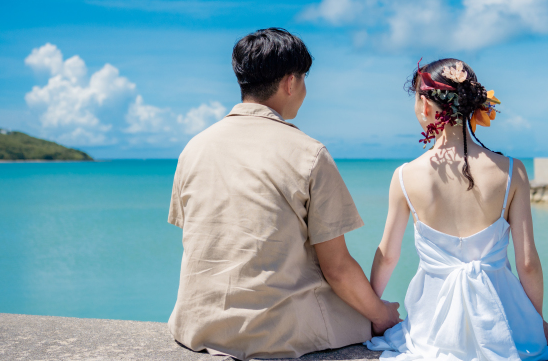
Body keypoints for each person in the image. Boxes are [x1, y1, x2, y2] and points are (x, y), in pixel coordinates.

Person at [167, 28, 400, 359]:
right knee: (364, 314)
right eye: (304, 78)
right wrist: (381, 315)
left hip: (196, 324)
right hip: (270, 331)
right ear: (291, 82)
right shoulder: (308, 153)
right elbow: (337, 268)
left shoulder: (194, 148)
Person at [366, 58, 548, 361]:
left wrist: (371, 311)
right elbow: (528, 264)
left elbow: (388, 256)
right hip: (506, 327)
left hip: (432, 331)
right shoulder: (513, 171)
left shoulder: (405, 176)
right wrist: (534, 323)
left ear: (425, 104)